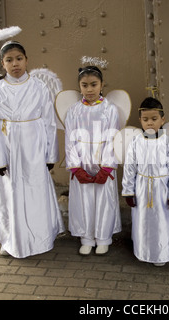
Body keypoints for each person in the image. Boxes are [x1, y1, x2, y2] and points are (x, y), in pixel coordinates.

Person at [0, 40, 64, 258]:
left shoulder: (39, 86)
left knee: (36, 190)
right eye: (9, 60)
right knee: (11, 192)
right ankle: (11, 239)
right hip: (7, 146)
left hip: (34, 145)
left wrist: (50, 153)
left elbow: (49, 121)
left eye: (19, 59)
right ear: (3, 63)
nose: (15, 64)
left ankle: (41, 236)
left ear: (26, 60)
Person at [64, 65, 121, 256]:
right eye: (85, 85)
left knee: (104, 201)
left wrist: (106, 168)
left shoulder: (110, 110)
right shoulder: (74, 111)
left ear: (102, 84)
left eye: (94, 84)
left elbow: (113, 138)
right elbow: (70, 139)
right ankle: (86, 238)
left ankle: (103, 238)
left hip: (103, 163)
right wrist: (76, 168)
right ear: (79, 86)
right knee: (84, 201)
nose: (89, 89)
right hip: (82, 162)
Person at [122, 97, 169, 267]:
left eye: (154, 119)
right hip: (142, 188)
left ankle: (161, 254)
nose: (150, 123)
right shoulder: (135, 142)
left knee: (162, 222)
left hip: (162, 189)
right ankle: (142, 251)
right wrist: (128, 191)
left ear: (163, 119)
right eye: (145, 119)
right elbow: (129, 168)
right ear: (140, 120)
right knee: (142, 222)